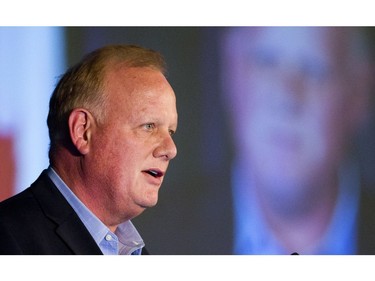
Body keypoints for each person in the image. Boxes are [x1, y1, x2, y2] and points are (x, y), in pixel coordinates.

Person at [0, 44, 178, 255]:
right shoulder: (9, 238)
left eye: (171, 131)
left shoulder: (134, 253)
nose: (170, 149)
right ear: (83, 131)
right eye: (149, 126)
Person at [219, 27, 375, 254]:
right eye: (267, 61)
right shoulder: (155, 240)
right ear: (232, 70)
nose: (287, 98)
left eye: (314, 69)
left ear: (358, 93)